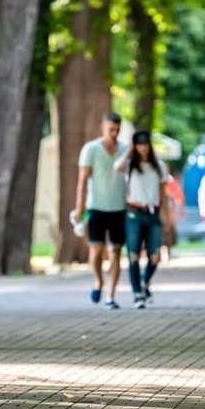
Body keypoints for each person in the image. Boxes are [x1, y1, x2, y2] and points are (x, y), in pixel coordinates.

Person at [73, 112, 128, 309]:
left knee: (115, 251)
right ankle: (98, 281)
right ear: (102, 128)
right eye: (110, 129)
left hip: (119, 209)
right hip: (95, 207)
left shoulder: (125, 150)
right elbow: (82, 180)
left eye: (117, 130)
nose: (114, 133)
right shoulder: (91, 149)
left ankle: (110, 296)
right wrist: (79, 208)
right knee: (96, 251)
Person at [116, 131, 169, 309]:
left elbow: (163, 192)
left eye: (145, 144)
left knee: (155, 256)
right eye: (139, 144)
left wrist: (166, 214)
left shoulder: (159, 166)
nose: (143, 148)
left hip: (153, 212)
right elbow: (117, 166)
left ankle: (145, 282)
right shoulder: (130, 165)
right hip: (134, 213)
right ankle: (137, 293)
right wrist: (129, 151)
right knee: (133, 255)